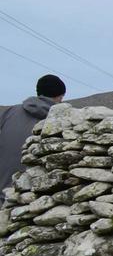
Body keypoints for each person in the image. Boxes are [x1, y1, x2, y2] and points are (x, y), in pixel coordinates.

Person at [0, 74, 66, 205]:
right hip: (35, 199)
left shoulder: (10, 112)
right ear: (60, 96)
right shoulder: (60, 119)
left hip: (2, 193)